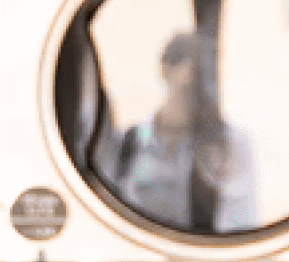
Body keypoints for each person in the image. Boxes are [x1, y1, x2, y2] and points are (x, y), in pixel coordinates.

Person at [102, 30, 257, 234]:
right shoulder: (130, 144)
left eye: (200, 87)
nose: (191, 99)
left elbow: (241, 223)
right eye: (185, 88)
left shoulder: (232, 145)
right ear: (164, 71)